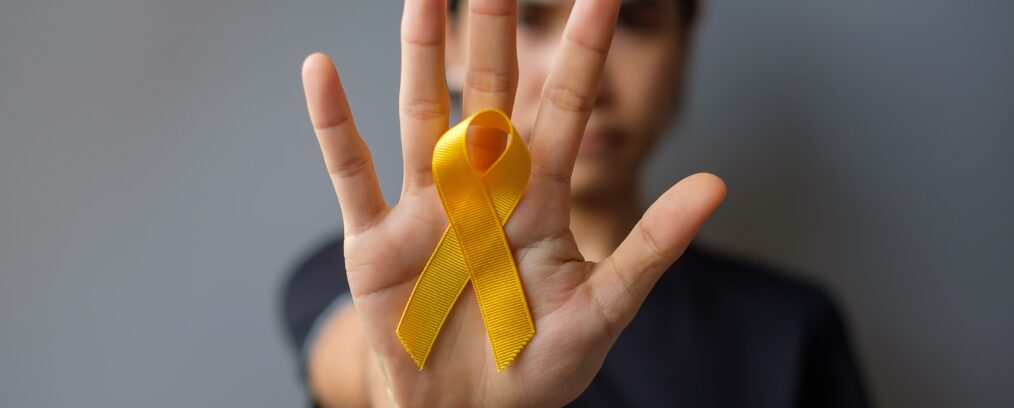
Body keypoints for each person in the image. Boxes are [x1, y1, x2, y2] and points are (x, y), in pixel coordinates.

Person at [282, 0, 870, 406]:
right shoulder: (367, 280)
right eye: (531, 17)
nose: (589, 78)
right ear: (456, 42)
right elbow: (359, 360)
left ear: (684, 42)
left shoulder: (788, 331)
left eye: (633, 20)